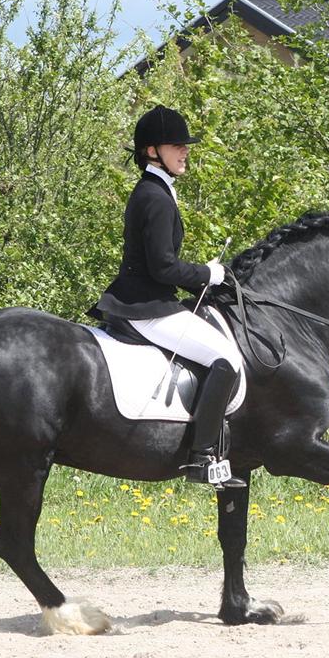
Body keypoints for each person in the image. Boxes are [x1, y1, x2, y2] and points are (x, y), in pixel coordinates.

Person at [90, 105, 246, 489]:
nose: (185, 150)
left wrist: (203, 282)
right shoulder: (155, 197)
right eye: (176, 145)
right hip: (146, 306)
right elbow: (162, 267)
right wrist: (207, 273)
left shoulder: (155, 190)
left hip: (146, 298)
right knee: (225, 359)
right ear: (151, 152)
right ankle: (202, 457)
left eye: (184, 144)